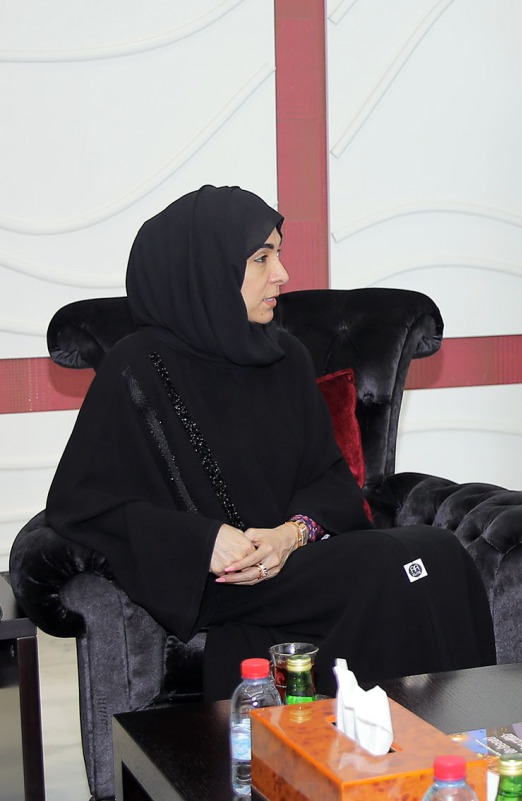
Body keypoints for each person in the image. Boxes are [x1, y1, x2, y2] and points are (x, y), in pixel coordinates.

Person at [46, 185, 496, 700]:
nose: (281, 274)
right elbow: (80, 504)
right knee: (394, 567)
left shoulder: (284, 355)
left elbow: (327, 477)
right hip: (219, 579)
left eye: (277, 255)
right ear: (206, 270)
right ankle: (401, 739)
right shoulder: (137, 367)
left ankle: (452, 737)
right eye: (262, 258)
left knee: (438, 555)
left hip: (296, 557)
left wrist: (290, 535)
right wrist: (203, 540)